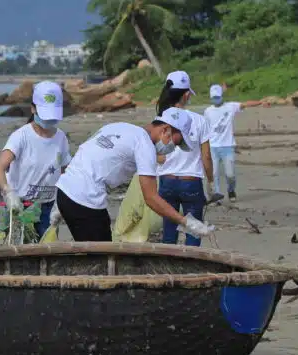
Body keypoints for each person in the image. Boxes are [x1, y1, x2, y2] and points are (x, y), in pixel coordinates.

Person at [53, 107, 215, 242]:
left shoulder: (120, 127)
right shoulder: (145, 146)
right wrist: (187, 222)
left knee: (94, 251)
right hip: (86, 200)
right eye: (176, 142)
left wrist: (60, 203)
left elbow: (86, 153)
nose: (173, 148)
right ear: (165, 130)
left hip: (64, 192)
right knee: (101, 260)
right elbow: (151, 198)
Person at [0, 81, 72, 239]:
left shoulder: (61, 138)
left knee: (47, 250)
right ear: (33, 109)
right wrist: (9, 193)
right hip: (20, 205)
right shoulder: (21, 136)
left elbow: (67, 172)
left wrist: (61, 203)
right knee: (18, 249)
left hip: (48, 207)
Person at [154, 71, 214, 246]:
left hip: (167, 182)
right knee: (194, 232)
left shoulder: (159, 119)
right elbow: (207, 156)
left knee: (169, 231)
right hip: (191, 182)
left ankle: (167, 270)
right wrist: (210, 181)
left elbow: (154, 154)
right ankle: (190, 269)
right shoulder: (200, 120)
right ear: (186, 94)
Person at [205, 84, 266, 203]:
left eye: (218, 97)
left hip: (228, 146)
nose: (216, 99)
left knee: (230, 174)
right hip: (213, 147)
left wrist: (260, 102)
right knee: (214, 173)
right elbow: (205, 128)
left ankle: (231, 190)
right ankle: (216, 195)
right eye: (214, 97)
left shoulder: (231, 107)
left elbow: (245, 104)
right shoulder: (208, 111)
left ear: (221, 96)